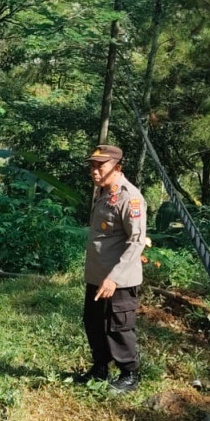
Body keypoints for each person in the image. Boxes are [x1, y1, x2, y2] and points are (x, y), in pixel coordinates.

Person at [80, 144, 146, 394]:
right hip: (97, 276)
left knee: (118, 327)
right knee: (94, 323)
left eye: (101, 166)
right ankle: (99, 369)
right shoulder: (104, 193)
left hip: (118, 280)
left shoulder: (131, 197)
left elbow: (136, 242)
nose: (95, 171)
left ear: (117, 167)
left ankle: (129, 374)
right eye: (92, 166)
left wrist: (114, 279)